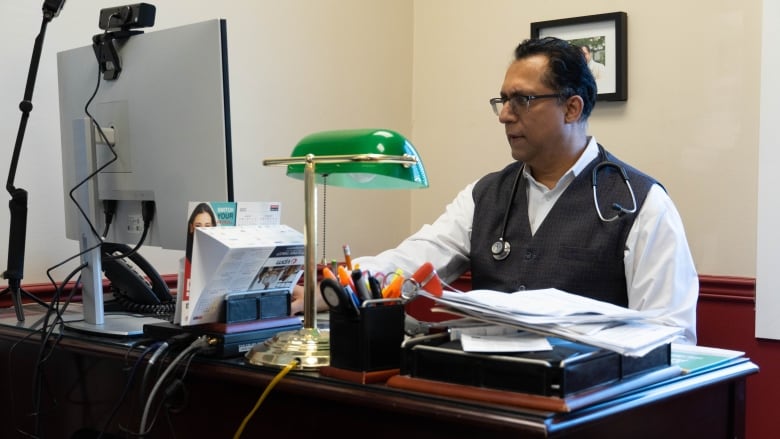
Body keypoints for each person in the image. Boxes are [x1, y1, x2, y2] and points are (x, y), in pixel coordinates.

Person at [291, 37, 698, 344]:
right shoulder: (485, 195)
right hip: (484, 394)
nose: (504, 115)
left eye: (521, 100)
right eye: (502, 100)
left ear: (572, 109)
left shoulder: (641, 203)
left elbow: (671, 335)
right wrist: (330, 285)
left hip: (585, 406)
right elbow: (411, 262)